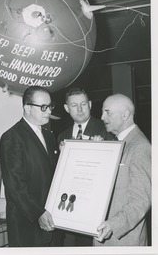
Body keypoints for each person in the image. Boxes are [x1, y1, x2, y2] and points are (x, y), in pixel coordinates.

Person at [0, 86, 64, 247]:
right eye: (43, 107)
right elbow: (14, 185)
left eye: (50, 106)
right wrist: (38, 213)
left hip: (52, 222)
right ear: (27, 107)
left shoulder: (49, 135)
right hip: (27, 226)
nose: (48, 111)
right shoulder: (11, 137)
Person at [57, 87, 114, 246]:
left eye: (83, 104)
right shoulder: (62, 136)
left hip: (95, 211)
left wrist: (103, 149)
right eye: (74, 105)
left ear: (90, 104)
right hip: (68, 211)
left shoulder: (106, 129)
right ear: (67, 108)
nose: (80, 109)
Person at [93, 94, 151, 246]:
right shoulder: (118, 142)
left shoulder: (141, 147)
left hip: (123, 241)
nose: (102, 117)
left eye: (108, 112)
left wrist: (113, 225)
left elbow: (141, 201)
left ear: (125, 114)